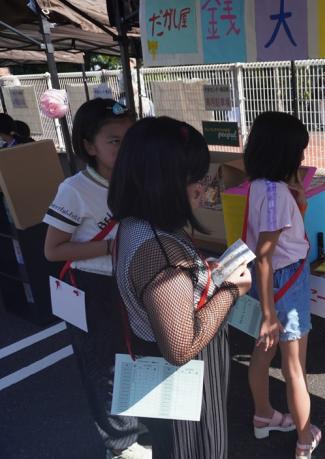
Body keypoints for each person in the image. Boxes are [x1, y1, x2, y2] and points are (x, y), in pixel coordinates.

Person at [109, 116, 250, 458]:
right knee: (193, 449)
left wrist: (203, 275)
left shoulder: (137, 225)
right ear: (167, 184)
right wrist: (231, 291)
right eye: (198, 179)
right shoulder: (160, 254)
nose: (204, 189)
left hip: (164, 370)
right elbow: (180, 347)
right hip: (184, 379)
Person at [42, 99, 148, 459]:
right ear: (89, 146)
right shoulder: (75, 189)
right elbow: (53, 250)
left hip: (133, 280)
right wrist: (112, 247)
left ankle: (134, 420)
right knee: (104, 365)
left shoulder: (137, 176)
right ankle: (119, 445)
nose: (125, 146)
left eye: (130, 137)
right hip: (94, 288)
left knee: (136, 355)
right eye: (114, 140)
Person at [243, 112, 321, 459]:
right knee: (295, 368)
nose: (302, 158)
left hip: (269, 280)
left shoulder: (261, 186)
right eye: (298, 151)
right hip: (284, 282)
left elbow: (277, 237)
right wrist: (270, 313)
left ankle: (264, 415)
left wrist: (298, 197)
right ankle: (305, 438)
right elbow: (265, 255)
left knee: (262, 352)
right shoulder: (275, 194)